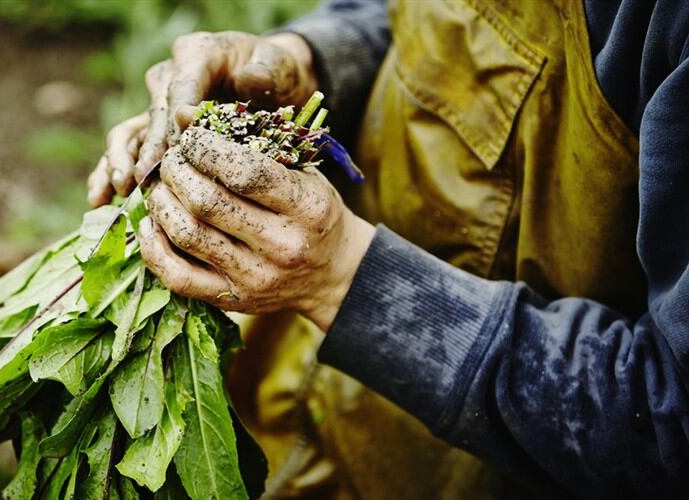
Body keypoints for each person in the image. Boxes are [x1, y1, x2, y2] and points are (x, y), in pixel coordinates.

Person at [87, 0, 689, 498]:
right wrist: (311, 58)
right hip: (310, 393)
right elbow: (422, 17)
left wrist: (347, 280)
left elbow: (672, 429)